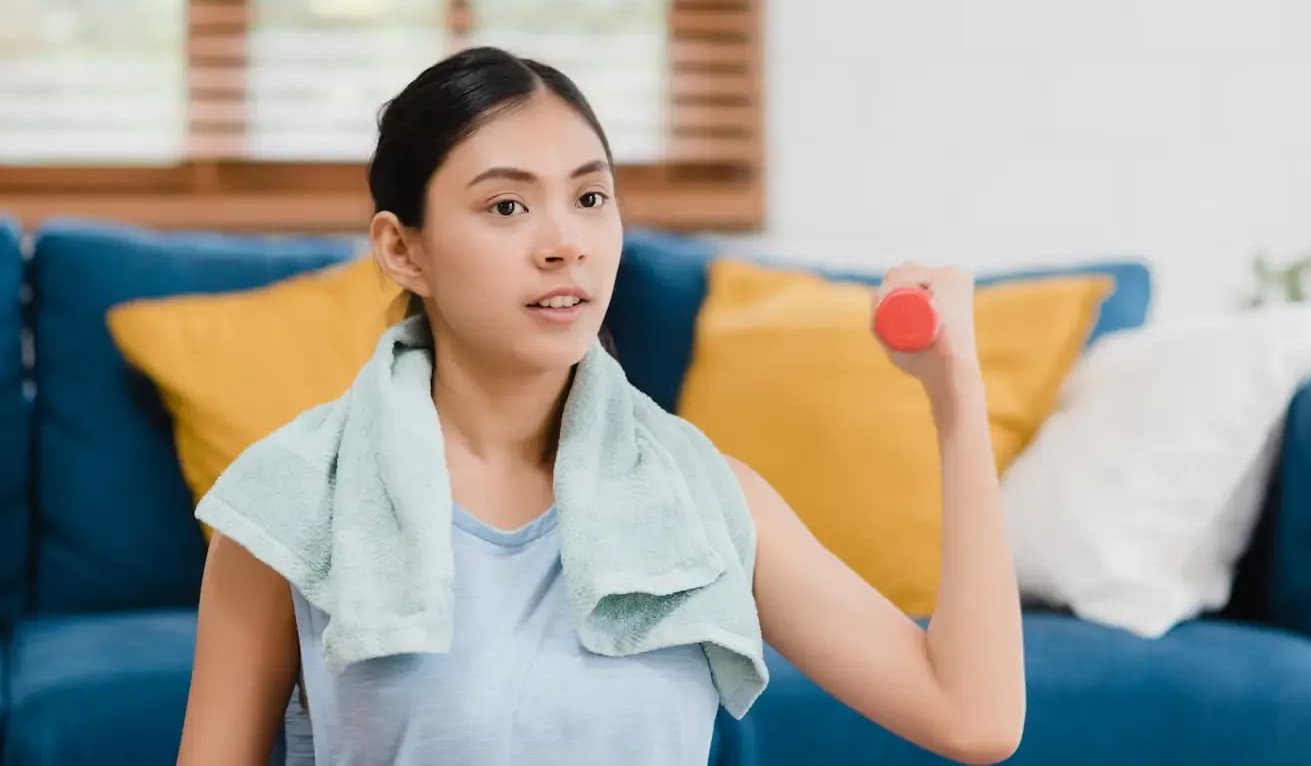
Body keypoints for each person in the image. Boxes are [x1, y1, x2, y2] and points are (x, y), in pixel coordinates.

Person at [175, 47, 1026, 765]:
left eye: (590, 197)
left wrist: (956, 400)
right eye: (507, 206)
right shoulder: (293, 504)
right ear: (404, 250)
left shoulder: (702, 498)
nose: (565, 243)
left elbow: (974, 719)